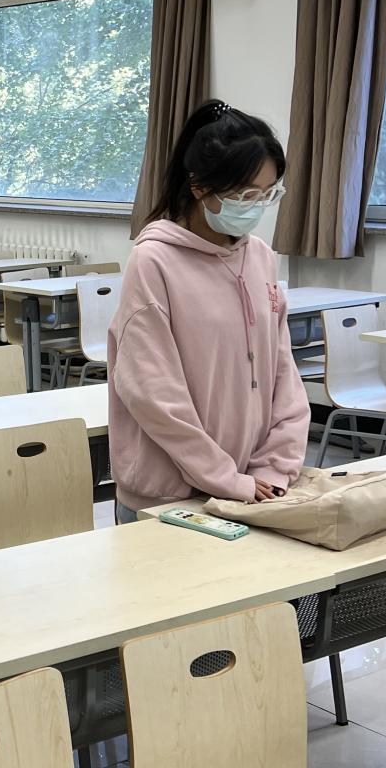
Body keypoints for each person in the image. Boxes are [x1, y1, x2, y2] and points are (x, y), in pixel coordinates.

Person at [109, 100, 309, 525]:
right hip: (171, 496)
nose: (256, 206)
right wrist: (223, 477)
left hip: (253, 487)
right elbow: (152, 392)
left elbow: (283, 374)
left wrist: (274, 467)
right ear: (199, 187)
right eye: (244, 195)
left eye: (267, 194)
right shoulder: (154, 261)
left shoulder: (260, 257)